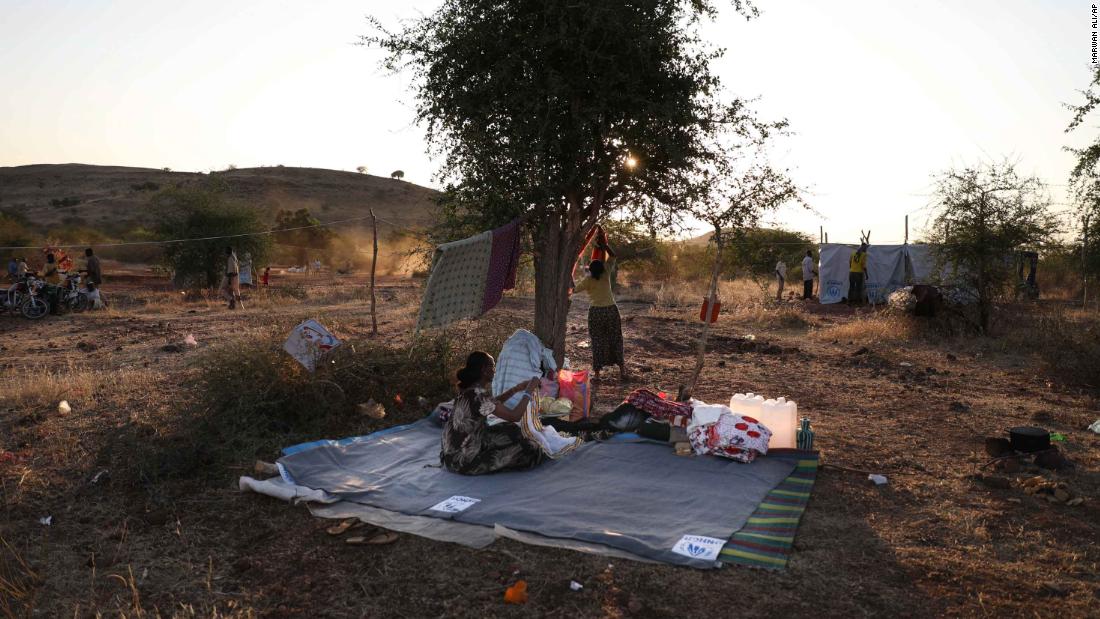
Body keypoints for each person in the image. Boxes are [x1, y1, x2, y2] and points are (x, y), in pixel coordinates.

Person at [441, 351, 545, 475]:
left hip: (450, 455)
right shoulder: (479, 395)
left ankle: (483, 449)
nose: (494, 370)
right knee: (530, 450)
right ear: (484, 370)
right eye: (492, 366)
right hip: (464, 462)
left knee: (511, 429)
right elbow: (514, 416)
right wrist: (528, 391)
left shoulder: (470, 391)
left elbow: (492, 404)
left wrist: (516, 389)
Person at [572, 228, 629, 382]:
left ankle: (597, 374)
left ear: (590, 270)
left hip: (596, 313)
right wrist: (604, 245)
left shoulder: (588, 280)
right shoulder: (606, 272)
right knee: (616, 339)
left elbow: (574, 289)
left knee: (597, 341)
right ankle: (622, 371)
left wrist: (570, 274)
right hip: (611, 310)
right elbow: (614, 256)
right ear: (602, 267)